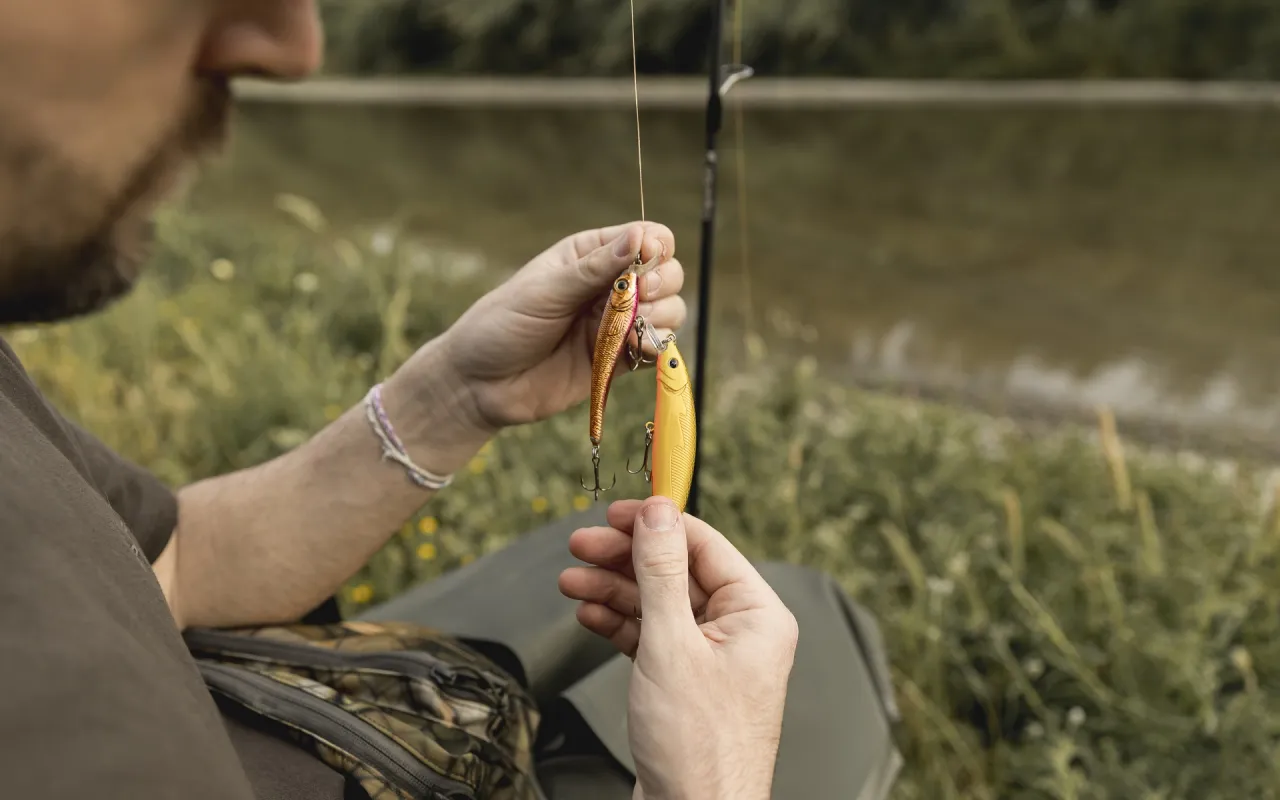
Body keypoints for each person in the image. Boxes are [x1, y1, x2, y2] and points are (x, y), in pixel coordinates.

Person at [0, 1, 902, 798]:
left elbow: (173, 563)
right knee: (809, 633)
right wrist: (712, 783)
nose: (294, 44)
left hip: (345, 717)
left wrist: (456, 396)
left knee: (740, 595)